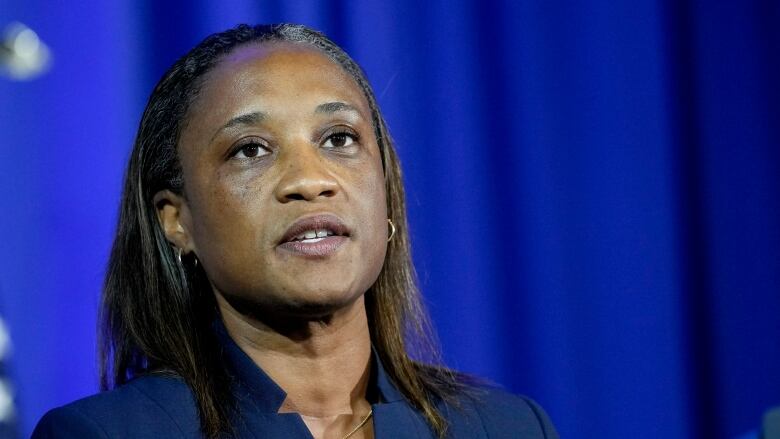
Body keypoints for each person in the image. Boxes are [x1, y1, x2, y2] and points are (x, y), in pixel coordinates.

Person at [31, 24, 558, 439]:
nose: (311, 180)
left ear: (385, 191)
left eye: (338, 139)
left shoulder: (507, 427)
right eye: (251, 150)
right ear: (177, 220)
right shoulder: (104, 434)